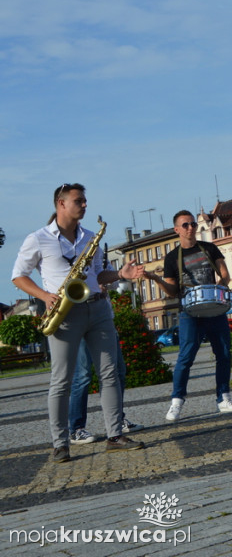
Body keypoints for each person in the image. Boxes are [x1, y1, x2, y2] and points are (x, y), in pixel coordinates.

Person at [12, 183, 145, 462]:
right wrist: (44, 295)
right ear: (61, 204)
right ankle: (60, 443)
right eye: (79, 201)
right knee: (61, 380)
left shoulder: (88, 237)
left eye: (85, 201)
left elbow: (98, 276)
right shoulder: (38, 238)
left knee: (109, 374)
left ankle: (114, 435)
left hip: (98, 310)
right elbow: (18, 276)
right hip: (64, 313)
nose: (84, 205)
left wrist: (120, 274)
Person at [146, 210, 232, 422]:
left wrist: (219, 289)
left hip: (214, 309)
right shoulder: (172, 258)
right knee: (185, 357)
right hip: (189, 312)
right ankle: (176, 402)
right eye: (185, 225)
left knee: (224, 353)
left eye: (193, 225)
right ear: (177, 230)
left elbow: (224, 274)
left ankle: (224, 397)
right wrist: (156, 279)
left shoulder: (209, 248)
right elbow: (171, 291)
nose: (190, 228)